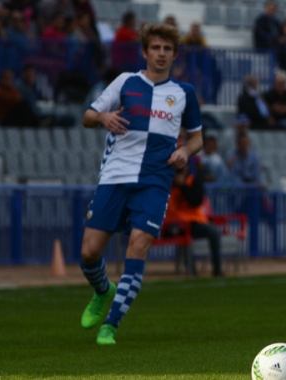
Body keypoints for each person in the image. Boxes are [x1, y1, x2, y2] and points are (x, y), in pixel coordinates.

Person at [78, 23, 203, 346]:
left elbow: (198, 139)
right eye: (156, 48)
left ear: (174, 55)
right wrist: (103, 118)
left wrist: (184, 151)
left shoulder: (184, 93)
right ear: (145, 52)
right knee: (89, 252)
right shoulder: (125, 82)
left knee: (138, 246)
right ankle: (104, 290)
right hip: (115, 175)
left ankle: (111, 326)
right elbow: (88, 116)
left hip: (154, 181)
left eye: (167, 49)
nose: (161, 54)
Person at [165, 155, 224, 277]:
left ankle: (217, 269)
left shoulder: (194, 181)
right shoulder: (168, 184)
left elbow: (196, 200)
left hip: (194, 223)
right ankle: (191, 270)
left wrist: (183, 186)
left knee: (213, 231)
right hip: (175, 224)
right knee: (183, 235)